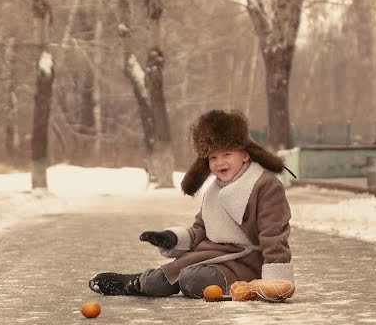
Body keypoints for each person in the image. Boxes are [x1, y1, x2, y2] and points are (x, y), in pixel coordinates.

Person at [88, 109, 294, 298]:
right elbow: (201, 229)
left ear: (245, 154)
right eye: (213, 157)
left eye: (227, 154)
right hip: (209, 256)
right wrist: (170, 238)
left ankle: (233, 285)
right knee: (159, 281)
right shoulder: (215, 189)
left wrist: (276, 281)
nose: (220, 162)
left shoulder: (264, 185)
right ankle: (135, 283)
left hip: (245, 263)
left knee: (193, 278)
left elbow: (273, 234)